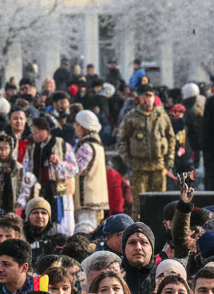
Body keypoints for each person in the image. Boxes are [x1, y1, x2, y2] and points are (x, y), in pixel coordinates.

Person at [116, 86, 174, 217]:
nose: (147, 100)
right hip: (139, 167)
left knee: (159, 202)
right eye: (144, 96)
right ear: (139, 98)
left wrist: (169, 159)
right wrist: (128, 159)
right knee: (140, 204)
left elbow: (170, 138)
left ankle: (159, 226)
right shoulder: (131, 117)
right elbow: (121, 139)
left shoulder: (161, 116)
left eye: (149, 96)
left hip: (158, 165)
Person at [19, 116, 77, 235]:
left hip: (58, 192)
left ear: (45, 131)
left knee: (59, 225)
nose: (33, 135)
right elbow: (26, 168)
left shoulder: (62, 145)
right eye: (33, 132)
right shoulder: (31, 147)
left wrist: (59, 164)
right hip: (38, 191)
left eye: (36, 132)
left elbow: (74, 168)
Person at [71, 110, 109, 231]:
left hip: (86, 201)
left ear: (82, 126)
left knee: (84, 231)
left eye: (77, 125)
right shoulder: (98, 145)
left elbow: (75, 169)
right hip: (96, 200)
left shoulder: (86, 147)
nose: (75, 129)